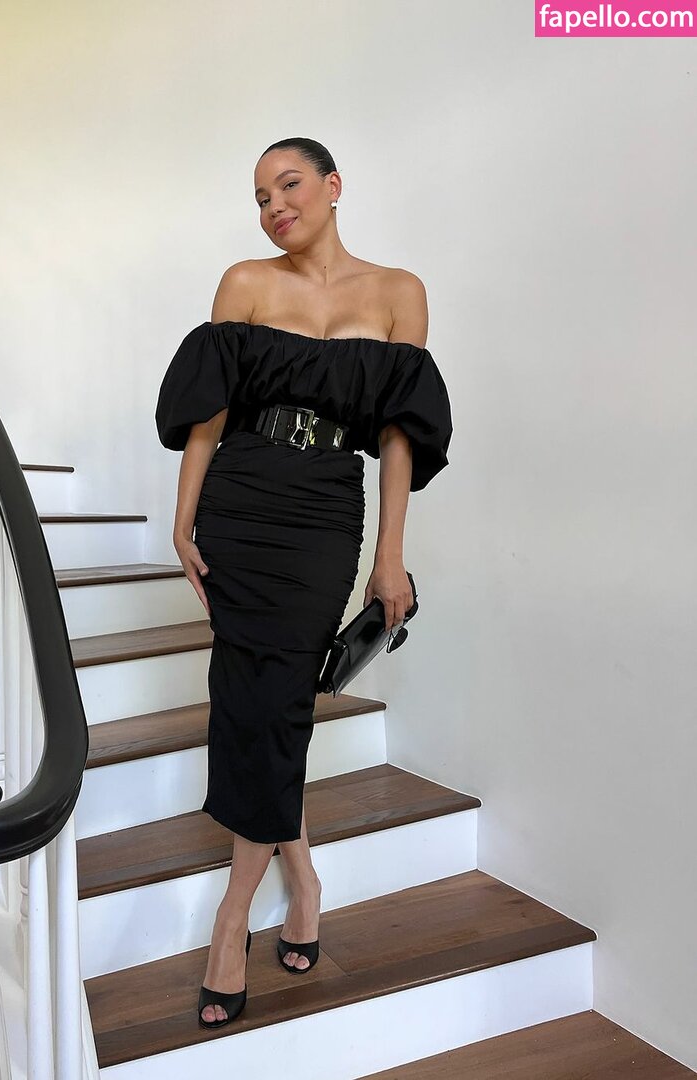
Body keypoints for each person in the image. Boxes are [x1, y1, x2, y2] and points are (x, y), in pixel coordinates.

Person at [154, 137, 453, 1029]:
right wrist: (182, 520)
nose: (272, 206)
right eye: (259, 196)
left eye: (287, 185)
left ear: (332, 186)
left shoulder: (398, 292)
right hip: (241, 500)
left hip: (325, 508)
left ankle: (234, 915)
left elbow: (397, 435)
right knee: (254, 699)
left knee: (278, 700)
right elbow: (207, 418)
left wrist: (389, 553)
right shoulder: (245, 281)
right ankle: (296, 881)